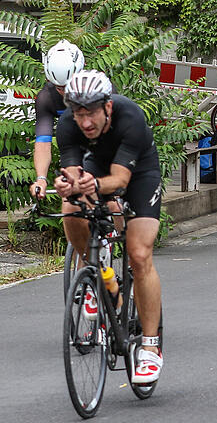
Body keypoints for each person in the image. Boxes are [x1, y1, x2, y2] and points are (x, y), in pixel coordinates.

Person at [54, 70, 164, 384]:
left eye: (91, 113)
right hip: (99, 166)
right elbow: (73, 172)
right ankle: (100, 275)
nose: (85, 122)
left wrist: (94, 185)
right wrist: (68, 185)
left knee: (139, 254)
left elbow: (120, 181)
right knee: (70, 207)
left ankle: (150, 346)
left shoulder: (130, 117)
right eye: (78, 114)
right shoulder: (68, 125)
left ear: (108, 108)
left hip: (138, 172)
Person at [29, 40, 85, 199]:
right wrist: (41, 179)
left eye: (69, 86)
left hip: (104, 144)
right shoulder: (47, 97)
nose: (65, 92)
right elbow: (43, 142)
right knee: (71, 203)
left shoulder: (100, 88)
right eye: (59, 88)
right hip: (73, 149)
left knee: (113, 204)